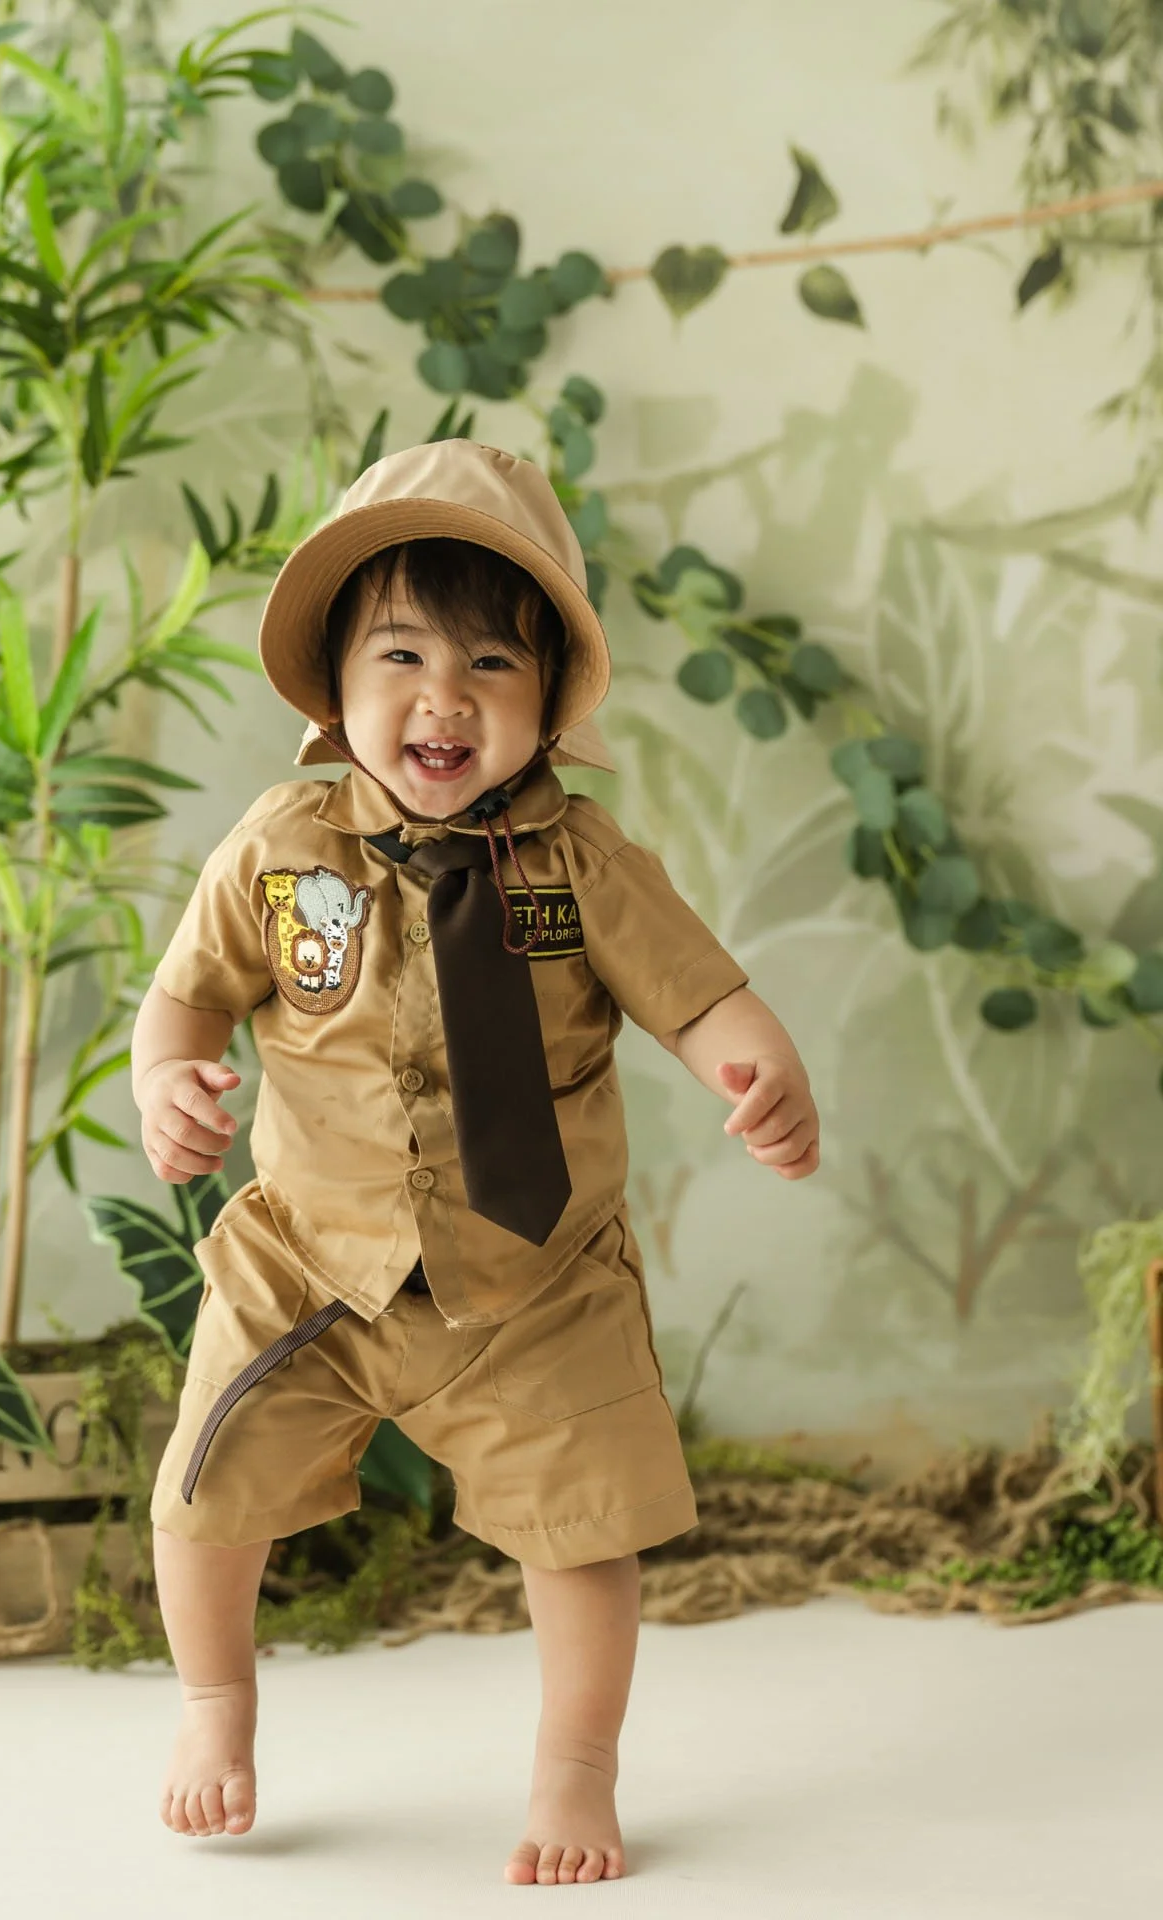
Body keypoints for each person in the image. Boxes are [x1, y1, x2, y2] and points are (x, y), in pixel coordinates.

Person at [130, 439, 820, 1886]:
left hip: (537, 1273)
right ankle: (214, 1707)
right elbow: (189, 995)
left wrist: (759, 1068)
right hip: (307, 1260)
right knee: (204, 1489)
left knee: (588, 1534)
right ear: (335, 681)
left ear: (548, 703)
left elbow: (698, 996)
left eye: (494, 667)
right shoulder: (282, 847)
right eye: (403, 656)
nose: (444, 700)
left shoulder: (582, 862)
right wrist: (170, 1076)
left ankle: (575, 1769)